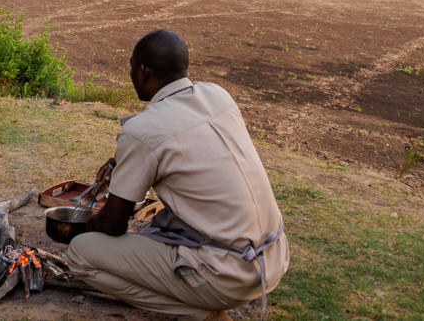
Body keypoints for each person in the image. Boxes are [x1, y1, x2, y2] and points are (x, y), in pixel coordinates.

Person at [65, 30, 289, 321]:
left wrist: (83, 226)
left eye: (131, 66)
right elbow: (190, 152)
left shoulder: (142, 130)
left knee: (80, 254)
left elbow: (114, 223)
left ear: (143, 71)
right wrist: (125, 166)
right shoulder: (217, 95)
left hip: (226, 274)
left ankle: (205, 315)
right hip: (272, 257)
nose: (130, 73)